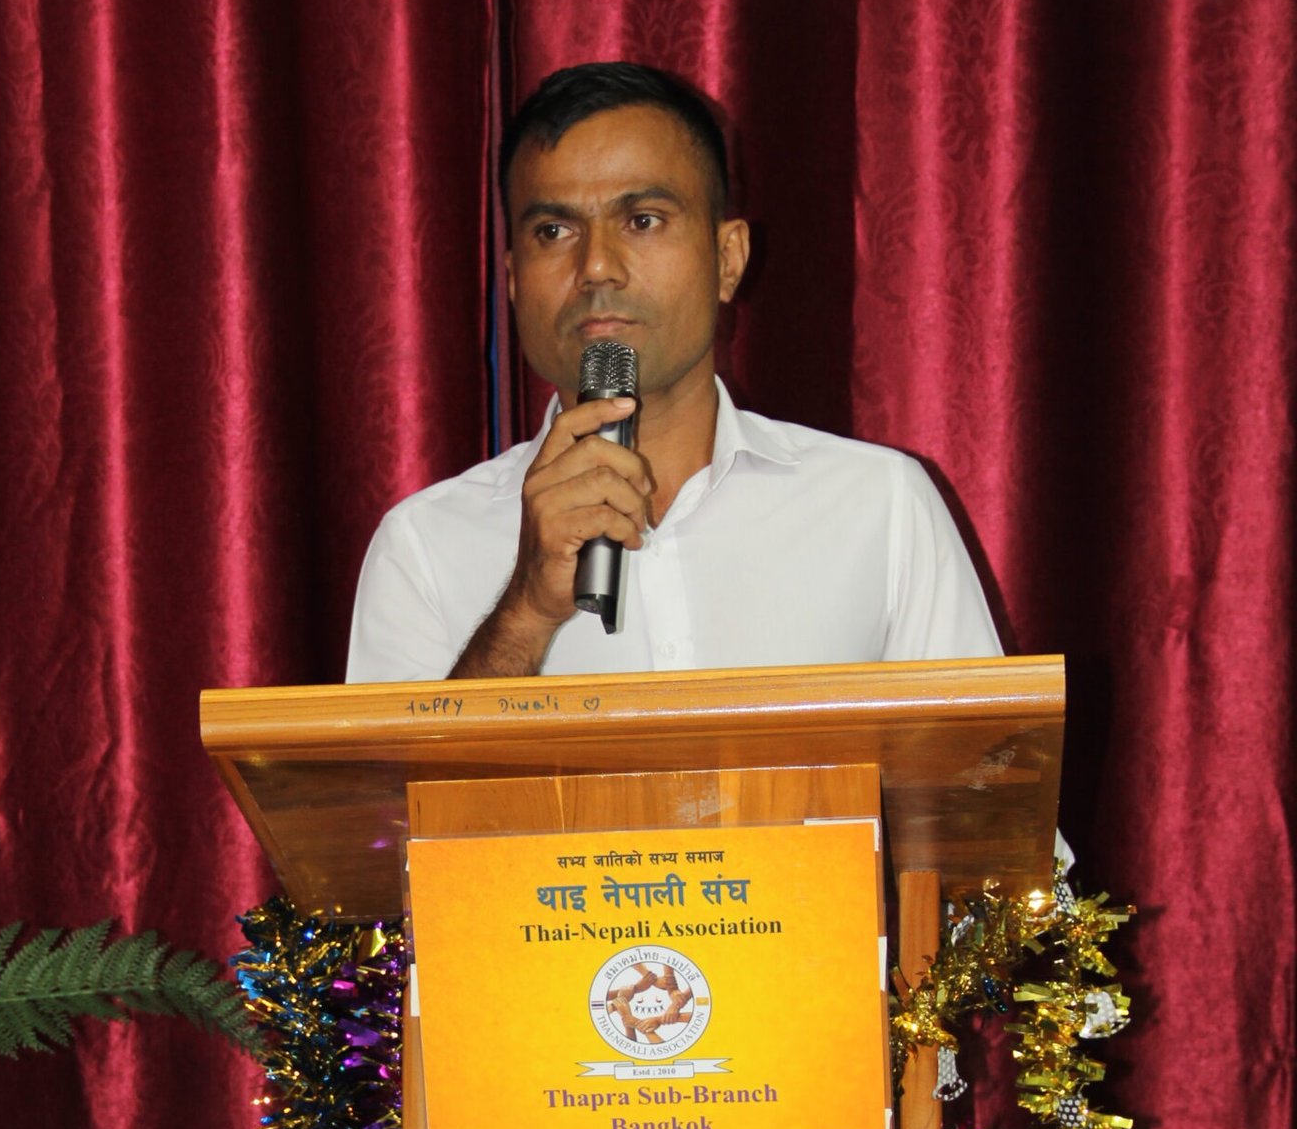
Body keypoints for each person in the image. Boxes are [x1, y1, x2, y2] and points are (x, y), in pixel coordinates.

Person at [346, 62, 1003, 685]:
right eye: (553, 231)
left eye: (643, 221)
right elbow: (392, 776)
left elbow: (982, 768)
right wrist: (524, 614)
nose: (596, 267)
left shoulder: (880, 506)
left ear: (728, 259)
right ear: (514, 281)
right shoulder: (424, 545)